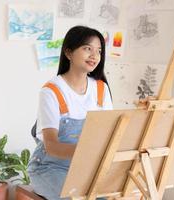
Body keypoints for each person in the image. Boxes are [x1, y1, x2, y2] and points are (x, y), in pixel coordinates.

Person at [27, 25, 113, 200]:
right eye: (87, 48)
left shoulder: (101, 89)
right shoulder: (51, 91)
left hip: (85, 167)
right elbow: (51, 146)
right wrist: (88, 151)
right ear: (68, 53)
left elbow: (109, 133)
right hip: (49, 168)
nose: (94, 56)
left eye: (99, 51)